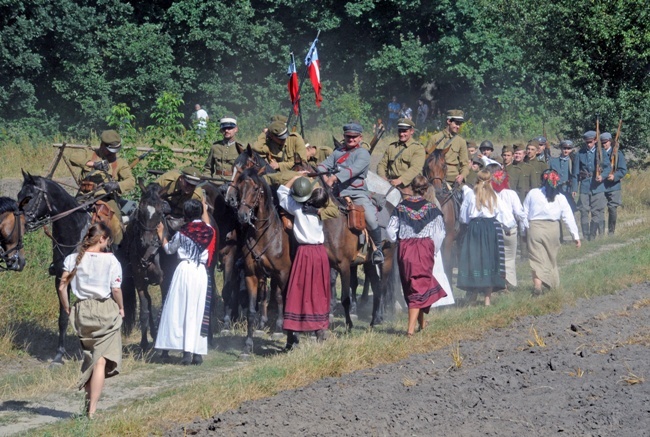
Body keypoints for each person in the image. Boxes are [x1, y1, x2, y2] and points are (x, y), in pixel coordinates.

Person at [57, 223, 124, 418]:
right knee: (101, 361)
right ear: (102, 239)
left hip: (81, 311)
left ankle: (88, 405)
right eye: (107, 240)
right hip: (104, 310)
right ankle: (92, 411)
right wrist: (121, 307)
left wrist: (68, 307)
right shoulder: (111, 261)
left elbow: (62, 287)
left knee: (91, 357)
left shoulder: (72, 259)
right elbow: (116, 289)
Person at [155, 198, 216, 365]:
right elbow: (207, 223)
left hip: (184, 271)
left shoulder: (182, 232)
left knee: (179, 310)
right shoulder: (209, 230)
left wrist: (162, 235)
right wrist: (204, 208)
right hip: (201, 272)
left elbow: (168, 250)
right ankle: (196, 352)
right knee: (197, 310)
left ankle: (185, 352)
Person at [386, 175, 447, 336]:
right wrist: (433, 249)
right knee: (419, 285)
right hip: (424, 247)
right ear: (426, 189)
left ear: (412, 188)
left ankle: (421, 323)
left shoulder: (400, 207)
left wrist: (397, 240)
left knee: (410, 285)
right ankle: (410, 330)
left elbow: (391, 231)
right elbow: (439, 234)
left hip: (405, 248)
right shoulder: (433, 209)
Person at [316, 123, 384, 264]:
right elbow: (322, 166)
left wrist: (334, 177)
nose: (351, 139)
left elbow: (353, 170)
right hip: (335, 193)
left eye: (354, 137)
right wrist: (325, 178)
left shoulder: (363, 154)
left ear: (360, 138)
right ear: (344, 136)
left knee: (371, 219)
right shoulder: (337, 152)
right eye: (348, 136)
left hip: (356, 192)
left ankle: (378, 249)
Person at [277, 175, 331, 346]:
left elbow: (281, 192)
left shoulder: (297, 208)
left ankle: (294, 330)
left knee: (299, 290)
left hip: (304, 253)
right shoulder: (323, 211)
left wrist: (295, 177)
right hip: (320, 253)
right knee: (318, 291)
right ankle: (320, 329)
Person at [458, 169, 516, 306]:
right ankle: (487, 300)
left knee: (474, 261)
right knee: (489, 261)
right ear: (490, 181)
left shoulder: (470, 196)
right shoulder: (494, 196)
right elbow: (506, 217)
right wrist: (508, 227)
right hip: (490, 229)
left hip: (474, 229)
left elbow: (463, 217)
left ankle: (473, 296)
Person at [69, 130, 136, 245]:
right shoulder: (89, 153)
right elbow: (72, 157)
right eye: (110, 151)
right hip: (83, 197)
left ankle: (118, 251)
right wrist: (93, 164)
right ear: (102, 145)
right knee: (66, 217)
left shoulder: (120, 163)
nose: (112, 154)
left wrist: (116, 185)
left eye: (115, 151)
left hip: (106, 199)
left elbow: (131, 181)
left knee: (115, 223)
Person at [523, 169, 581, 294]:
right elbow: (568, 217)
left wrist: (524, 230)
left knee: (536, 258)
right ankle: (551, 283)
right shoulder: (561, 197)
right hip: (553, 229)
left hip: (535, 228)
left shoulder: (533, 193)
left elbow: (525, 213)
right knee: (551, 257)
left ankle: (538, 286)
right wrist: (575, 235)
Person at [572, 130, 611, 240]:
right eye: (586, 142)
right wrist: (574, 188)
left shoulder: (601, 152)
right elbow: (575, 173)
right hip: (584, 185)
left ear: (595, 140)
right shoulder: (580, 153)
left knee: (596, 211)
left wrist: (602, 176)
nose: (588, 144)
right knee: (584, 211)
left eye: (590, 142)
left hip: (598, 186)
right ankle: (585, 236)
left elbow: (608, 168)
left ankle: (592, 237)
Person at [490, 169, 526, 288]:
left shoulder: (489, 194)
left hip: (494, 229)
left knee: (496, 257)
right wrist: (524, 228)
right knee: (510, 257)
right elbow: (519, 213)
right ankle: (510, 283)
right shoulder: (511, 194)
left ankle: (498, 283)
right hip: (509, 229)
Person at [377, 118, 426, 194]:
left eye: (405, 131)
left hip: (409, 185)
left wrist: (401, 180)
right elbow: (382, 164)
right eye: (400, 131)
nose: (401, 134)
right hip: (389, 183)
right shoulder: (391, 147)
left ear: (411, 131)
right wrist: (382, 177)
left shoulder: (418, 148)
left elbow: (415, 168)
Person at [425, 110, 469, 185]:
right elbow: (426, 159)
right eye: (456, 123)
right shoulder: (434, 138)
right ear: (448, 121)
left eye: (460, 124)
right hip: (435, 177)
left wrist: (462, 176)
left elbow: (465, 165)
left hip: (452, 178)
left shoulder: (461, 142)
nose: (458, 126)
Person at [203, 117, 243, 184]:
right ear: (221, 130)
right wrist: (207, 181)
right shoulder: (215, 147)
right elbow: (208, 167)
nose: (226, 131)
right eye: (224, 128)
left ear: (236, 129)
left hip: (233, 183)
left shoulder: (241, 149)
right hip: (216, 182)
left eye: (229, 128)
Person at [602, 132, 627, 234]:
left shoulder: (617, 154)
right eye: (602, 143)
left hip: (614, 186)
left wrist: (615, 176)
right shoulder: (599, 154)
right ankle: (600, 233)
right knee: (599, 210)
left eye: (606, 142)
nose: (604, 144)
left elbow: (623, 170)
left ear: (610, 141)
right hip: (601, 185)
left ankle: (611, 232)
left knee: (612, 209)